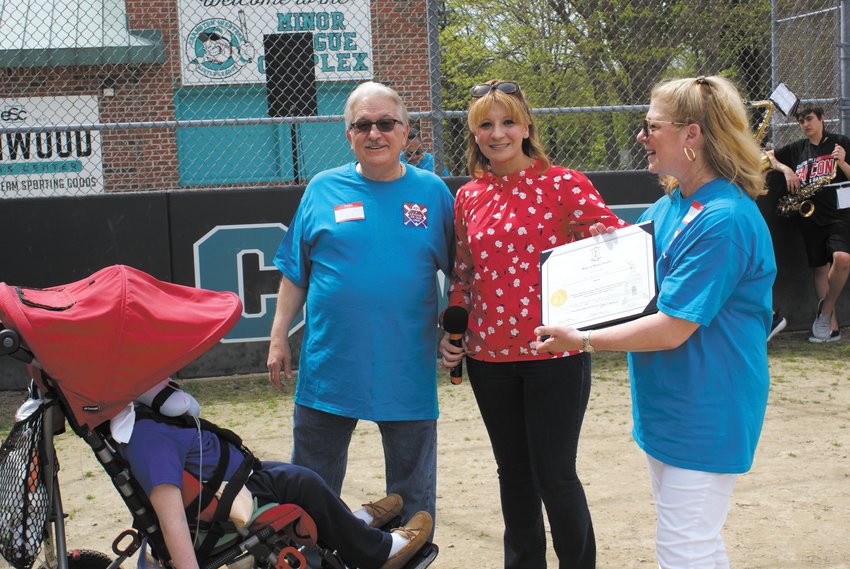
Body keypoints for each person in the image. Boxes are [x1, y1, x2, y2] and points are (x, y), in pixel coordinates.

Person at [534, 75, 776, 568]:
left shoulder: (724, 218)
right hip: (669, 403)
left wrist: (581, 340)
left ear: (692, 135)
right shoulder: (673, 203)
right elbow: (649, 275)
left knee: (684, 548)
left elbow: (671, 327)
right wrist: (617, 247)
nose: (642, 136)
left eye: (651, 125)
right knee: (690, 542)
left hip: (708, 406)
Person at [439, 79, 625, 569]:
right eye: (485, 124)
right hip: (488, 359)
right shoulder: (469, 197)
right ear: (474, 134)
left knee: (556, 474)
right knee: (514, 475)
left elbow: (618, 243)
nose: (497, 133)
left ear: (526, 126)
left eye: (507, 122)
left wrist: (604, 238)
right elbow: (463, 273)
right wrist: (453, 335)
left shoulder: (563, 183)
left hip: (554, 355)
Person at [267, 81, 454, 527]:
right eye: (363, 125)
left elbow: (463, 273)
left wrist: (454, 331)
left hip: (406, 368)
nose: (375, 133)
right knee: (310, 493)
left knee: (413, 504)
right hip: (330, 369)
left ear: (406, 132)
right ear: (348, 134)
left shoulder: (433, 193)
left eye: (386, 123)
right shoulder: (321, 189)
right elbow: (296, 272)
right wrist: (278, 338)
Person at [120, 416, 433, 569]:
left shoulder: (146, 422)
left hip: (237, 483)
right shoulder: (149, 440)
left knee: (305, 482)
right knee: (303, 483)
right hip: (235, 501)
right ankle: (377, 551)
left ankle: (347, 527)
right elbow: (171, 518)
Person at [767, 104, 850, 343]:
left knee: (842, 259)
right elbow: (769, 157)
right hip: (809, 214)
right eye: (801, 121)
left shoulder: (839, 142)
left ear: (822, 119)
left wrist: (842, 163)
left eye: (809, 119)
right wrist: (786, 171)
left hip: (838, 213)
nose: (805, 125)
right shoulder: (797, 149)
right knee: (819, 268)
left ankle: (825, 309)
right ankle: (829, 328)